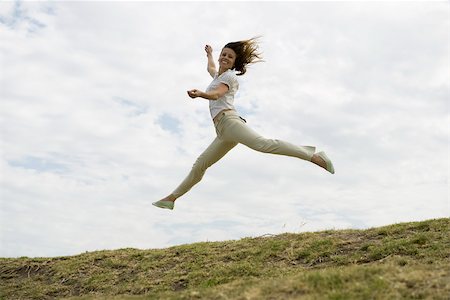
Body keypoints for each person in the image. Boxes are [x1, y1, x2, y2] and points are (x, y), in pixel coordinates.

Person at [153, 37, 334, 210]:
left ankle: (314, 156)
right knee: (200, 164)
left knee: (263, 144)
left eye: (230, 57)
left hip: (230, 122)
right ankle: (171, 199)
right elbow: (211, 68)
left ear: (234, 63)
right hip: (223, 132)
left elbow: (217, 94)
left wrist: (200, 94)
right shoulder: (218, 75)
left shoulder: (230, 78)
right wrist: (209, 54)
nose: (225, 57)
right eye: (223, 54)